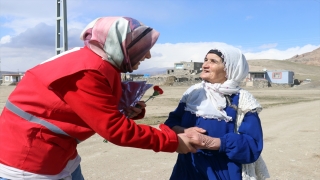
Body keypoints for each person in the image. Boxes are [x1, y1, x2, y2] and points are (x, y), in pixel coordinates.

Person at [0, 17, 204, 180]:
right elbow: (114, 129)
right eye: (142, 48)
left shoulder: (101, 62)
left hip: (58, 153)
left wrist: (127, 108)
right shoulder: (87, 70)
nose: (148, 56)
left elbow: (94, 105)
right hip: (30, 160)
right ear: (122, 45)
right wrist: (171, 141)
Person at [164, 44, 270, 180]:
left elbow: (252, 145)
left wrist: (210, 142)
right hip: (188, 169)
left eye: (213, 61)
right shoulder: (193, 93)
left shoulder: (243, 100)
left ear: (229, 69)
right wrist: (183, 130)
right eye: (205, 60)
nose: (205, 65)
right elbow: (171, 121)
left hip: (224, 172)